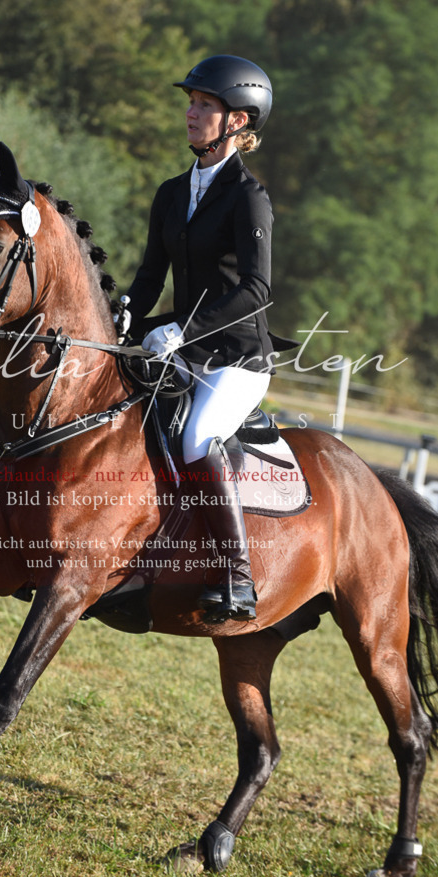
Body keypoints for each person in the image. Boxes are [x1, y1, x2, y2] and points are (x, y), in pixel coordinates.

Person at [125, 54, 277, 625]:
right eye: (190, 103)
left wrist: (182, 329)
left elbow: (258, 290)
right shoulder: (170, 192)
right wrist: (123, 317)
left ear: (237, 121)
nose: (191, 113)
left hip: (236, 356)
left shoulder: (248, 197)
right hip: (177, 347)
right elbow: (148, 278)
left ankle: (238, 577)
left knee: (195, 437)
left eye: (204, 105)